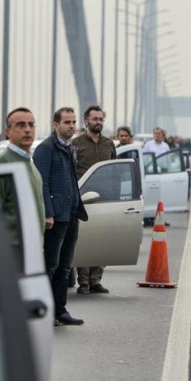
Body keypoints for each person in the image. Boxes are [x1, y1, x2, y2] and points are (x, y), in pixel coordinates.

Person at [33, 107, 88, 326]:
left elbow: (72, 182)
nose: (72, 126)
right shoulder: (46, 149)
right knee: (50, 266)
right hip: (55, 217)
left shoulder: (70, 148)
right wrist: (48, 213)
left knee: (65, 266)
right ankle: (46, 311)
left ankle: (60, 310)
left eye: (74, 122)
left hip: (71, 214)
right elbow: (42, 184)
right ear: (56, 125)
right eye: (67, 122)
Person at [0, 107, 45, 245]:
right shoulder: (2, 164)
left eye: (31, 125)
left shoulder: (31, 165)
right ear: (8, 132)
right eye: (21, 125)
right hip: (12, 248)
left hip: (32, 248)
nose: (28, 130)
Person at [72, 106, 116, 295]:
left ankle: (96, 280)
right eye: (94, 119)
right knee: (84, 241)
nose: (98, 122)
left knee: (104, 239)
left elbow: (114, 170)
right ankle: (83, 282)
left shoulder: (109, 144)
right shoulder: (76, 143)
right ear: (86, 121)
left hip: (106, 198)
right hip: (84, 199)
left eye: (101, 119)